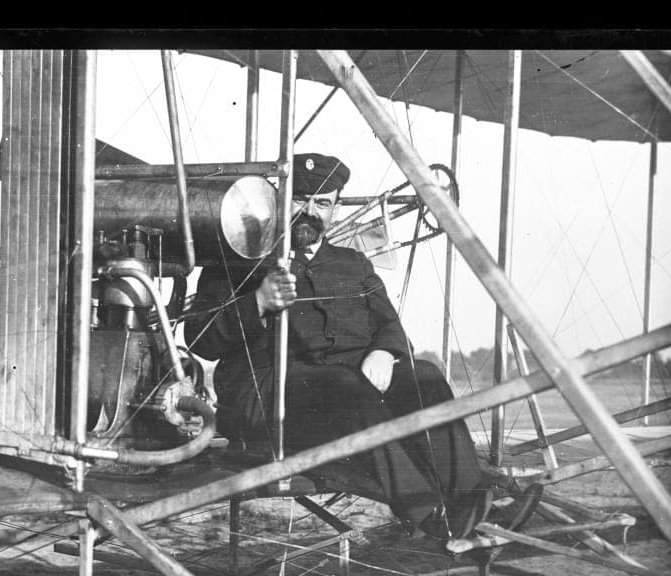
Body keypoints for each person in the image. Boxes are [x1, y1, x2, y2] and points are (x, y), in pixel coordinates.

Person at [187, 153, 531, 541]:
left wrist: (383, 353)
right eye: (301, 199)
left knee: (425, 376)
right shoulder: (237, 260)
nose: (310, 211)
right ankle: (429, 515)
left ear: (334, 209)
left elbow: (390, 325)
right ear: (280, 200)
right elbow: (200, 338)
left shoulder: (352, 264)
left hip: (346, 396)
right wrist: (258, 303)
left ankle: (472, 501)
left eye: (323, 203)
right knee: (345, 387)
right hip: (269, 396)